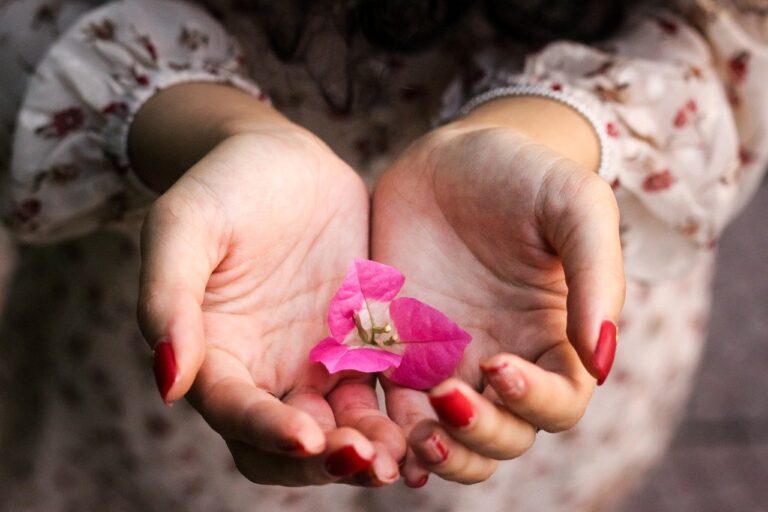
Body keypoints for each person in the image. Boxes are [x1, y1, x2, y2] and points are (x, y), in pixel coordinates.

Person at [0, 1, 764, 511]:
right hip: (214, 290)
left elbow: (727, 34)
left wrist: (548, 136)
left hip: (519, 283)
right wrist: (214, 135)